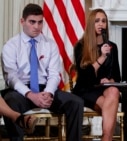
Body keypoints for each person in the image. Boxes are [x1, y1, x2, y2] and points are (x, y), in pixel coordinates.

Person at [1, 3, 83, 141]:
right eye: (32, 22)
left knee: (76, 102)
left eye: (40, 22)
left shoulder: (50, 44)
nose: (37, 27)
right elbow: (12, 78)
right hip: (21, 91)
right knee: (10, 101)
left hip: (45, 90)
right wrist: (30, 94)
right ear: (22, 21)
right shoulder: (11, 45)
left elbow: (54, 74)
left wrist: (49, 92)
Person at [72, 8, 121, 141]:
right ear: (91, 24)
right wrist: (102, 57)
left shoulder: (112, 47)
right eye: (97, 21)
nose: (101, 24)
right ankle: (107, 138)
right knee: (109, 105)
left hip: (104, 88)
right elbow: (84, 77)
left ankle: (105, 137)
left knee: (114, 90)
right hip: (86, 89)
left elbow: (117, 76)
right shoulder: (81, 46)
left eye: (104, 21)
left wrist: (109, 80)